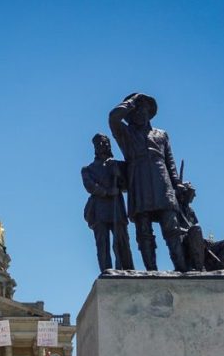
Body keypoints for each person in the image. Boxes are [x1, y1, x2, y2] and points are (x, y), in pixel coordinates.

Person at [108, 92, 191, 272]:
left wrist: (177, 183)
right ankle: (151, 270)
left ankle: (182, 268)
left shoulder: (161, 134)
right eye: (136, 110)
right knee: (143, 231)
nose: (140, 113)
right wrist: (130, 102)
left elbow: (170, 162)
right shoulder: (126, 134)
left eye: (143, 109)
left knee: (172, 227)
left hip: (162, 181)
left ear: (149, 112)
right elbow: (113, 118)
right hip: (138, 181)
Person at [82, 132, 133, 271]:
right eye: (98, 143)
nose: (102, 145)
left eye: (104, 142)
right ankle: (106, 270)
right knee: (102, 243)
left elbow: (126, 186)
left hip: (117, 208)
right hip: (99, 210)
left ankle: (127, 269)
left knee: (122, 241)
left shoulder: (117, 165)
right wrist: (107, 192)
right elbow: (90, 186)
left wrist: (119, 175)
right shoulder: (88, 169)